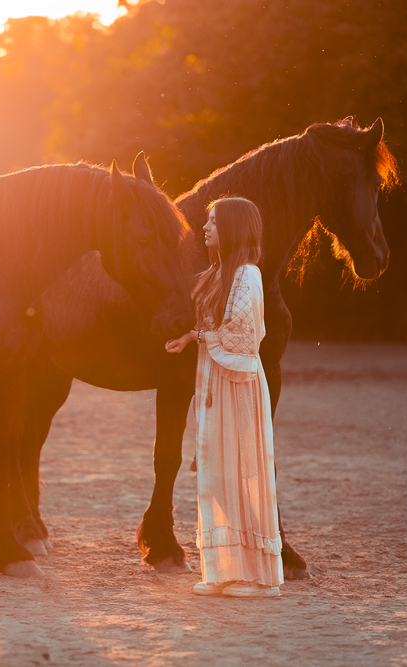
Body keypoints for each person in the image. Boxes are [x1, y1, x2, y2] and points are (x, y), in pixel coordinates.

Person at [165, 197, 283, 598]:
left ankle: (258, 578)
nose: (205, 228)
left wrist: (198, 337)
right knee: (218, 474)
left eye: (214, 222)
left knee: (240, 473)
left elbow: (244, 338)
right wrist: (190, 336)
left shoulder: (247, 275)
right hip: (216, 381)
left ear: (233, 228)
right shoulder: (219, 275)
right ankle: (227, 571)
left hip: (237, 384)